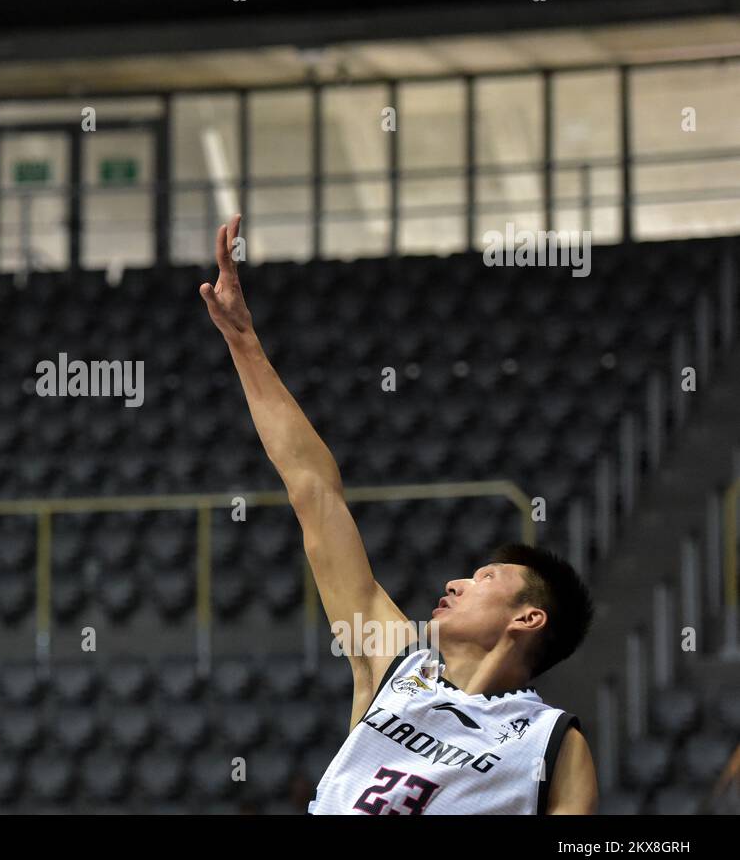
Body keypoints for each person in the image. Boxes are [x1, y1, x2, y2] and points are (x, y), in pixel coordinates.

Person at [200, 213, 598, 815]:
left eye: (486, 579)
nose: (456, 582)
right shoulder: (395, 665)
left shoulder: (554, 745)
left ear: (529, 617)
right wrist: (244, 344)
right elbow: (314, 491)